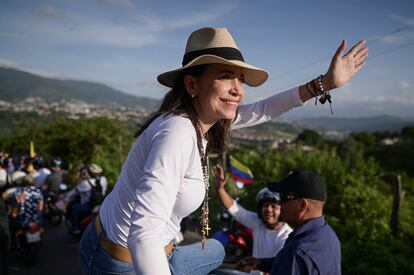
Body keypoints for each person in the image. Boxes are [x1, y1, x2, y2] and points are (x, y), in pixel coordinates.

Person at [78, 27, 367, 275]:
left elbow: (264, 109)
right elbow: (144, 233)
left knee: (215, 249)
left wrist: (324, 84)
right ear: (192, 84)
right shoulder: (177, 132)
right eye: (227, 76)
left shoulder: (203, 122)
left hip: (153, 248)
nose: (238, 89)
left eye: (240, 79)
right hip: (120, 261)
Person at [236, 169, 341, 275]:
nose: (280, 204)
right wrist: (261, 263)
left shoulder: (297, 252)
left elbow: (294, 262)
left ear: (302, 206)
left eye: (284, 197)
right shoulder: (329, 235)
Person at [213, 164, 292, 275]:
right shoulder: (258, 222)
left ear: (282, 210)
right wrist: (219, 188)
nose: (268, 210)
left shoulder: (286, 236)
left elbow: (277, 267)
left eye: (274, 206)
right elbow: (234, 208)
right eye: (265, 206)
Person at [67, 164, 107, 235]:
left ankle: (75, 229)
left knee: (74, 208)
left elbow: (72, 194)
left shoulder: (85, 183)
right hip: (101, 204)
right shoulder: (103, 180)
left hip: (90, 206)